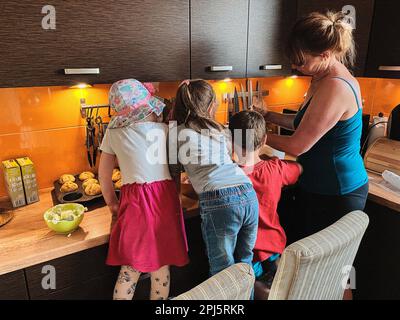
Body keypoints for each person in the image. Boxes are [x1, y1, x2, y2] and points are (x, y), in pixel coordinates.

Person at [255, 11, 369, 238]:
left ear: (325, 55)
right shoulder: (320, 78)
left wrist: (253, 136)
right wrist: (267, 116)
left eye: (301, 61)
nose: (296, 67)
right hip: (317, 186)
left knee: (325, 270)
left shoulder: (335, 87)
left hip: (337, 191)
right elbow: (305, 124)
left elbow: (298, 145)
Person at [98, 79, 189, 300]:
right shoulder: (166, 129)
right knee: (161, 266)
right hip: (165, 200)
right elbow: (177, 165)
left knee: (129, 270)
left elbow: (104, 174)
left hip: (135, 202)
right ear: (149, 107)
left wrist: (112, 204)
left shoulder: (113, 131)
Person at [169, 79, 259, 277]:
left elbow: (174, 171)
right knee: (245, 264)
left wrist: (176, 199)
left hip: (220, 201)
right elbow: (229, 159)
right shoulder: (220, 130)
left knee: (222, 271)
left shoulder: (176, 133)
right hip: (248, 193)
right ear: (211, 106)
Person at [229, 111, 302, 299]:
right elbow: (298, 169)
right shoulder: (276, 168)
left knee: (253, 288)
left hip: (247, 250)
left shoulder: (229, 177)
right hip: (274, 244)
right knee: (276, 285)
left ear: (231, 141)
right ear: (263, 141)